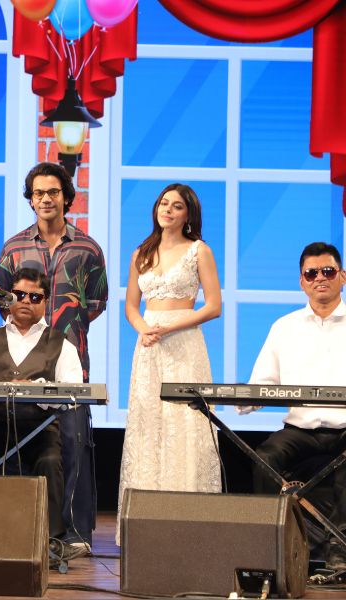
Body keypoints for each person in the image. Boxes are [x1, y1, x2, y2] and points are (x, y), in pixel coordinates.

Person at [0, 162, 107, 551]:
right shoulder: (14, 248)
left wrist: (65, 333)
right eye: (38, 193)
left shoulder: (88, 248)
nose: (46, 199)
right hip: (20, 365)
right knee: (18, 444)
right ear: (30, 199)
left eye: (53, 192)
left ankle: (76, 535)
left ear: (66, 197)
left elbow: (96, 302)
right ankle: (18, 532)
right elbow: (3, 302)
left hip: (70, 360)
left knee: (75, 444)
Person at [116, 183, 222, 544]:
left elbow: (213, 306)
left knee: (184, 426)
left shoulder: (199, 251)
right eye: (164, 203)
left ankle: (189, 525)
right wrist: (143, 328)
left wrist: (170, 325)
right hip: (149, 347)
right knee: (149, 426)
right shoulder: (141, 253)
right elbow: (131, 306)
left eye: (177, 206)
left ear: (188, 214)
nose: (168, 210)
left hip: (184, 343)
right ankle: (146, 528)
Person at [243, 241, 346, 569]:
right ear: (302, 282)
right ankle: (271, 547)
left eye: (328, 271)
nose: (320, 278)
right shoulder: (284, 327)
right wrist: (244, 400)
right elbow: (262, 382)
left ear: (342, 276)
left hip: (344, 428)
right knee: (265, 458)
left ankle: (340, 550)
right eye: (311, 273)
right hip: (300, 429)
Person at [0, 268, 83, 538]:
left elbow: (73, 393)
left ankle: (50, 540)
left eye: (35, 296)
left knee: (50, 459)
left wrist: (38, 389)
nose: (26, 301)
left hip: (39, 429)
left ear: (46, 302)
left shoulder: (61, 344)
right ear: (9, 297)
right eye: (19, 294)